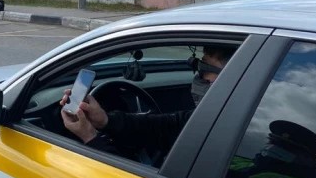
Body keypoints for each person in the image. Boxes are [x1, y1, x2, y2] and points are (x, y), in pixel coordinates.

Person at [61, 45, 235, 160]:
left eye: (204, 68)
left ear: (234, 77)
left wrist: (90, 137)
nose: (199, 76)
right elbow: (162, 127)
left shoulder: (227, 143)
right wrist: (105, 120)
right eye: (196, 66)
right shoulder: (215, 122)